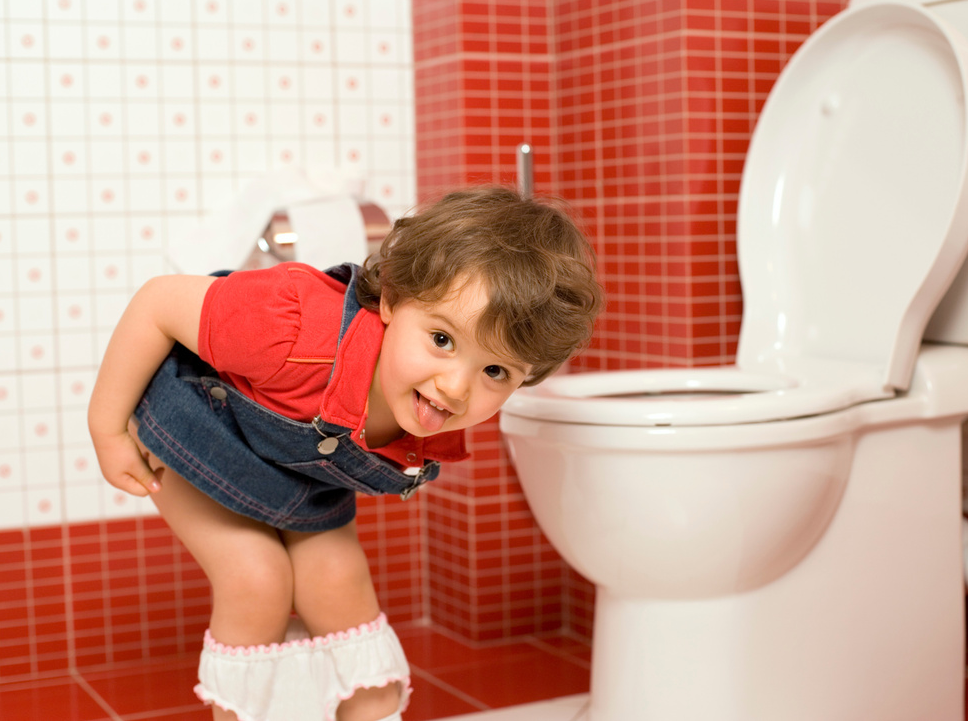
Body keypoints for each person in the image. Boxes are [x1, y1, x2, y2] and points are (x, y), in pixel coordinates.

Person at [88, 187, 603, 721]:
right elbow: (156, 302)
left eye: (495, 372)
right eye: (443, 340)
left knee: (338, 582)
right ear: (395, 300)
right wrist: (107, 429)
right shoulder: (292, 327)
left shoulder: (427, 413)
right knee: (256, 579)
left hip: (292, 477)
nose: (455, 387)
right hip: (197, 431)